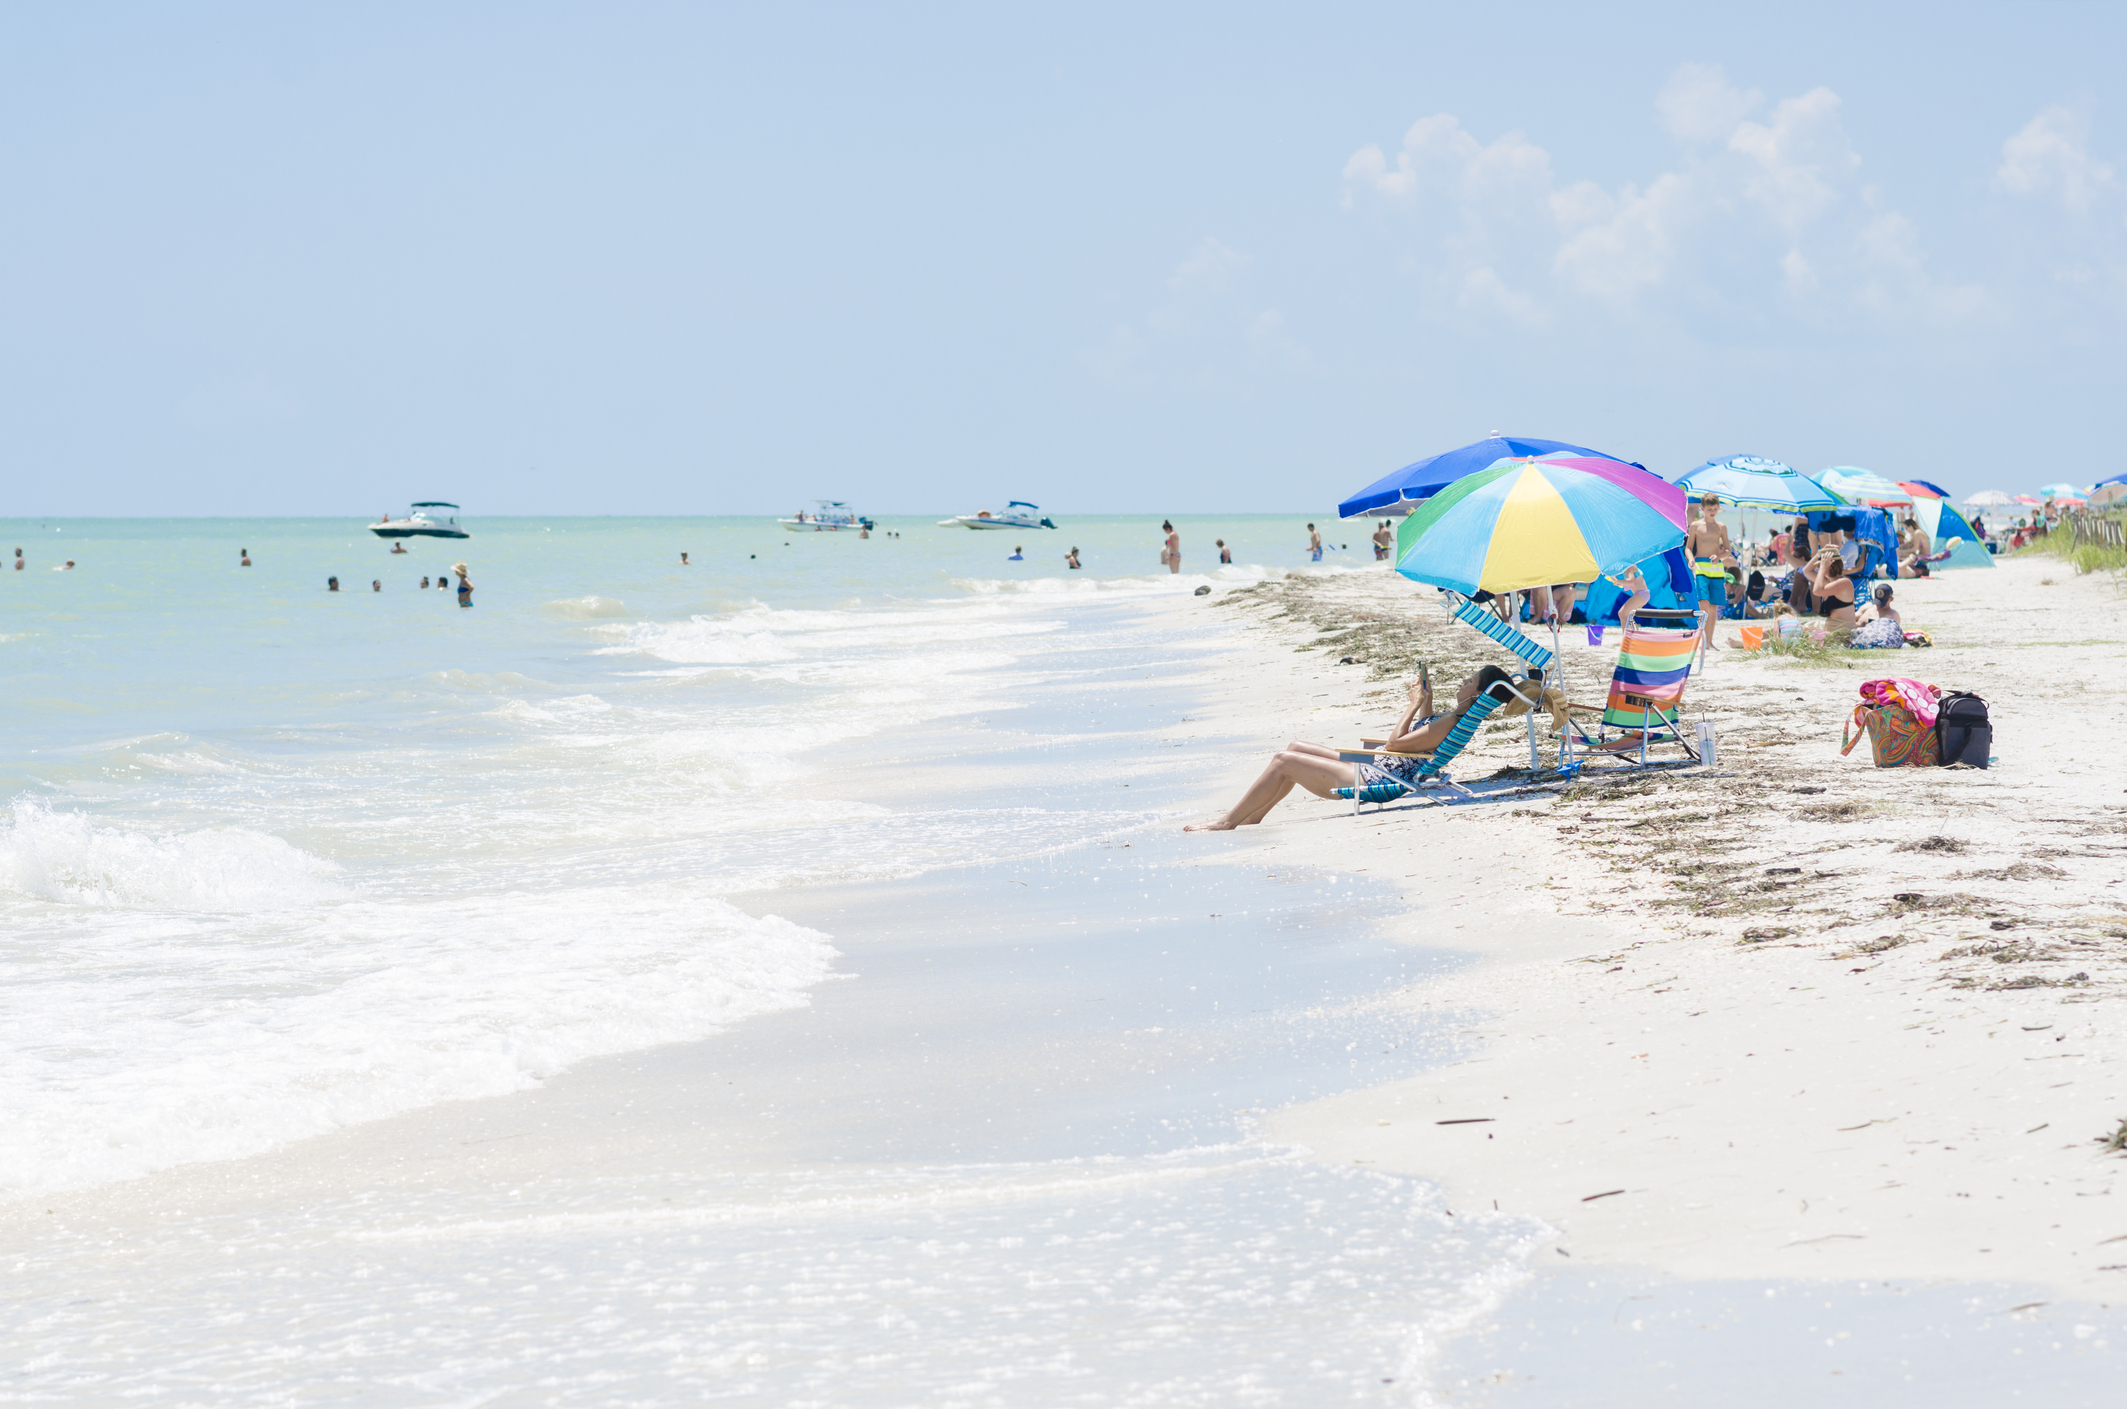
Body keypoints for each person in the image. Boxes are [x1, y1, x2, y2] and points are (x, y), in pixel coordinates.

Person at [1185, 665, 1515, 831]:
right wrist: (1426, 701)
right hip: (1380, 766)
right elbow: (1422, 739)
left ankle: (1227, 822)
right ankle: (1254, 815)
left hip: (1374, 778)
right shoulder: (1454, 718)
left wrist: (1412, 706)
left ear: (1476, 693)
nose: (1463, 682)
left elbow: (1395, 744)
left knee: (1283, 761)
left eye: (1470, 681)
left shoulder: (1451, 722)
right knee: (1295, 746)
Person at [1686, 493, 1736, 650]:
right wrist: (1691, 559)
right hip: (1701, 567)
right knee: (1704, 604)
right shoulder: (1695, 526)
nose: (1712, 511)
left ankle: (1709, 642)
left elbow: (1728, 550)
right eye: (1709, 509)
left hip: (1716, 568)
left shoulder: (1721, 527)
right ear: (1702, 509)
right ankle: (1701, 640)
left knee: (1713, 606)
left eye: (1715, 509)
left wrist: (1719, 555)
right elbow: (1688, 548)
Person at [1804, 547, 1857, 630]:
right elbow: (1806, 571)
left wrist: (1823, 568)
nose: (1817, 567)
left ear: (1831, 565)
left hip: (1845, 637)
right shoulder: (1828, 582)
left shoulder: (1844, 583)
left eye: (1819, 565)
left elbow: (1817, 591)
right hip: (1833, 635)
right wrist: (1820, 552)